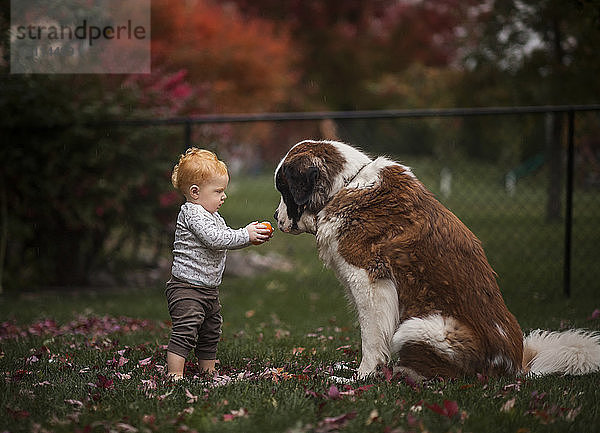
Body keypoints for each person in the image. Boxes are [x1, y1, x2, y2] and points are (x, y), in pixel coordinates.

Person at [165, 147, 272, 380]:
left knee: (211, 331)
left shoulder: (212, 215)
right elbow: (215, 240)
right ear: (195, 192)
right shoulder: (192, 213)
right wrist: (246, 235)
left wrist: (249, 234)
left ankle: (208, 372)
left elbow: (226, 236)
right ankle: (174, 375)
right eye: (218, 191)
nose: (223, 196)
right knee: (186, 330)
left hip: (208, 289)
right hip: (186, 288)